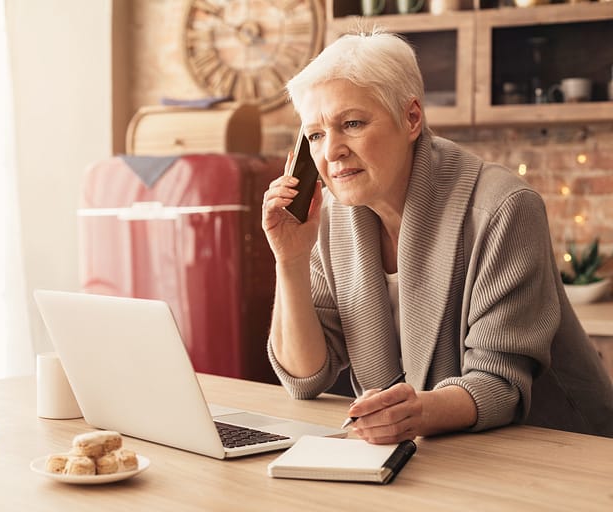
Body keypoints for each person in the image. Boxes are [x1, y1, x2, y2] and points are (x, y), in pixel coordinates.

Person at [261, 28, 613, 443]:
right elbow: (305, 378)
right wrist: (291, 258)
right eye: (316, 134)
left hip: (559, 450)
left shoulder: (504, 207)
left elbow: (500, 384)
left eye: (352, 123)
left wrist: (414, 413)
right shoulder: (331, 215)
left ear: (412, 118)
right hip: (429, 448)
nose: (332, 151)